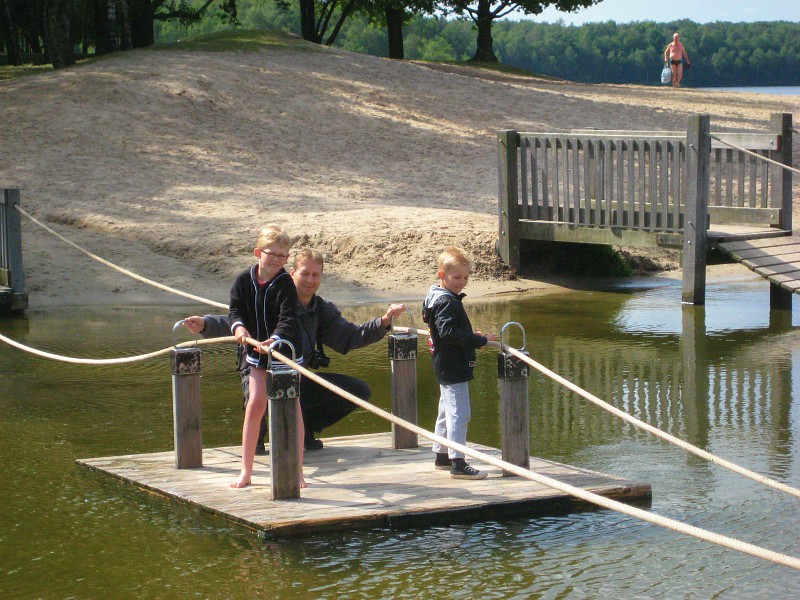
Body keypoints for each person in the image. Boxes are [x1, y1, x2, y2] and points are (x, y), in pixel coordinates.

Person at [184, 247, 405, 454]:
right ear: (292, 274)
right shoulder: (271, 299)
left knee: (358, 390)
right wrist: (205, 324)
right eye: (305, 274)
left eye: (315, 275)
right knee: (259, 423)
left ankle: (306, 429)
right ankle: (258, 441)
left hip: (296, 376)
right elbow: (234, 321)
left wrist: (384, 322)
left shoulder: (322, 309)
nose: (309, 280)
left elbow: (349, 337)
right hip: (260, 374)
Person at [227, 224, 304, 489]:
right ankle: (246, 470)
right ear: (257, 252)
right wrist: (238, 327)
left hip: (283, 354)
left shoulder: (286, 284)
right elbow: (234, 311)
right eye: (273, 254)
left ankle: (299, 470)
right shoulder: (242, 280)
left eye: (283, 256)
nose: (278, 260)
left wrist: (275, 339)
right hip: (256, 354)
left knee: (292, 410)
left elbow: (289, 319)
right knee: (255, 404)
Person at [421, 246, 496, 480]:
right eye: (456, 277)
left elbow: (447, 329)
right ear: (441, 275)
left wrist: (475, 336)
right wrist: (477, 340)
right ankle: (458, 462)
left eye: (465, 277)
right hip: (453, 365)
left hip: (444, 363)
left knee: (446, 410)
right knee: (459, 414)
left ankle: (442, 455)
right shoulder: (447, 302)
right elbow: (448, 332)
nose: (462, 282)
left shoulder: (436, 297)